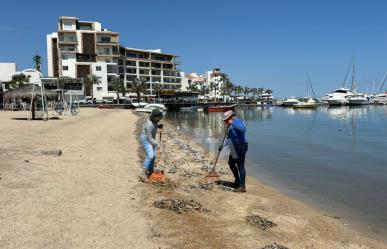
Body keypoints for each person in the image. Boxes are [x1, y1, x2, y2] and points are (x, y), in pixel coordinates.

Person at [222, 110, 248, 192]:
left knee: (240, 165)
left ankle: (242, 186)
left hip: (241, 146)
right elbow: (229, 138)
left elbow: (243, 130)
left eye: (226, 119)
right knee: (231, 163)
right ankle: (237, 181)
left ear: (231, 117)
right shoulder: (230, 125)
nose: (225, 121)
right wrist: (223, 145)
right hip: (234, 147)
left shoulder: (237, 121)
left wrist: (232, 123)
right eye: (225, 120)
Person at [140, 109, 164, 179]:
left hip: (151, 139)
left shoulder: (155, 121)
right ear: (154, 117)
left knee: (153, 156)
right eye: (159, 117)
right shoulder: (149, 124)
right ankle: (142, 173)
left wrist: (159, 126)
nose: (160, 118)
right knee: (150, 155)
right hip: (146, 139)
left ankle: (150, 171)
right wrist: (157, 144)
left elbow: (155, 125)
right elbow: (149, 138)